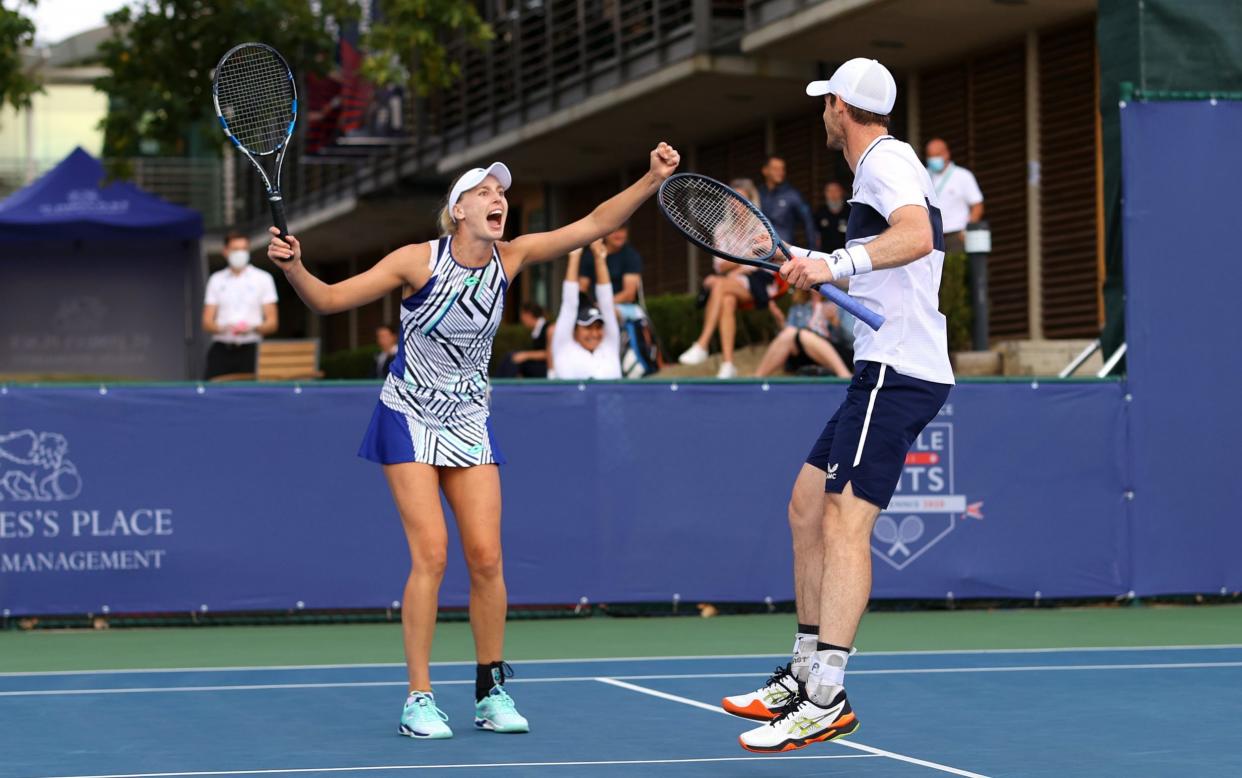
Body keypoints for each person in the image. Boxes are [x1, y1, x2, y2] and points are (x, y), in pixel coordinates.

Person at [266, 143, 681, 740]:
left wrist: (650, 178)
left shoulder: (509, 260)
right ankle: (419, 697)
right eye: (485, 192)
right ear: (458, 210)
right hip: (407, 414)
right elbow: (328, 300)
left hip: (468, 420)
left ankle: (490, 691)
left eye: (502, 193)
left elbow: (593, 224)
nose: (499, 200)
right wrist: (293, 268)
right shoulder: (416, 261)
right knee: (431, 554)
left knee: (486, 558)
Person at [724, 58, 953, 754]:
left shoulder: (887, 162)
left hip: (901, 370)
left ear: (842, 109)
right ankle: (801, 673)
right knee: (805, 504)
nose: (822, 111)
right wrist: (806, 260)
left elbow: (917, 236)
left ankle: (826, 695)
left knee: (845, 522)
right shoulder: (878, 171)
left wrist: (836, 265)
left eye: (827, 102)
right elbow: (885, 263)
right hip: (881, 366)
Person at [678, 178, 780, 379]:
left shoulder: (762, 226)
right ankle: (727, 364)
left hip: (759, 282)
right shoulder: (721, 229)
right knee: (726, 298)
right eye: (732, 200)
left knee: (719, 285)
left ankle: (703, 344)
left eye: (741, 199)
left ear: (751, 200)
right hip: (731, 284)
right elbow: (720, 265)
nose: (736, 204)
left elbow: (761, 258)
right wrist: (743, 262)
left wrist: (737, 267)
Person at [202, 231, 278, 379]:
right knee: (213, 394)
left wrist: (253, 328)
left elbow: (272, 323)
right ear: (226, 252)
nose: (240, 253)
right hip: (222, 348)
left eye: (244, 249)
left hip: (252, 349)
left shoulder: (263, 279)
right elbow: (206, 322)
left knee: (252, 395)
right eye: (235, 249)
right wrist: (223, 327)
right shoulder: (216, 280)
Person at [551, 240, 622, 380]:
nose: (594, 333)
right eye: (587, 327)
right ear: (575, 330)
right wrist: (575, 255)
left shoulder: (609, 345)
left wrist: (599, 258)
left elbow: (606, 303)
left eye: (598, 327)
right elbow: (569, 304)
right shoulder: (565, 347)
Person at [753, 290, 851, 378]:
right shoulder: (798, 307)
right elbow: (790, 337)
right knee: (794, 333)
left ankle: (844, 374)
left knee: (804, 335)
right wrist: (781, 321)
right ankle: (757, 379)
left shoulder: (838, 303)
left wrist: (835, 323)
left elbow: (851, 339)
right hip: (806, 353)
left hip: (838, 351)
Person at [924, 137, 984, 254]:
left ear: (946, 154)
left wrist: (966, 231)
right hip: (932, 238)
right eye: (930, 156)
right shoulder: (924, 175)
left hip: (956, 236)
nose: (933, 160)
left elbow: (977, 206)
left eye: (936, 155)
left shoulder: (963, 176)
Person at [759, 155, 817, 249]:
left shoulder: (792, 195)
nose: (780, 172)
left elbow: (808, 222)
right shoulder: (758, 193)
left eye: (782, 169)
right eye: (775, 169)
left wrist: (812, 250)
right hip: (760, 251)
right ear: (765, 171)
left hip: (784, 251)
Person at [578, 224, 642, 309]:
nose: (619, 235)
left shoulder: (631, 256)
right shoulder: (589, 255)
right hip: (594, 307)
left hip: (623, 306)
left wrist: (600, 306)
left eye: (622, 230)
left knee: (608, 314)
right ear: (605, 233)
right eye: (614, 230)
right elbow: (582, 288)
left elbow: (629, 295)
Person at [496, 303, 549, 378]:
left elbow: (549, 353)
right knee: (510, 356)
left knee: (513, 359)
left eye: (522, 315)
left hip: (545, 367)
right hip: (538, 364)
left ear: (529, 314)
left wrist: (525, 355)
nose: (522, 319)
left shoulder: (547, 329)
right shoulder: (537, 330)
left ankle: (501, 384)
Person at [814, 181, 851, 252]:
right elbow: (816, 235)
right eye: (829, 191)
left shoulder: (850, 212)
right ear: (825, 193)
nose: (833, 194)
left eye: (836, 191)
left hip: (847, 254)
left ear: (842, 192)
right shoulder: (820, 213)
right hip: (826, 255)